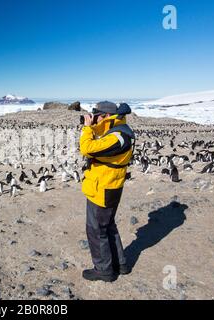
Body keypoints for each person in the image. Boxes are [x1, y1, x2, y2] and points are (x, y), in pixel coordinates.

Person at [79, 101, 135, 282]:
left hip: (102, 188)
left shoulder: (118, 136)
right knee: (108, 226)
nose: (94, 118)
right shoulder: (120, 130)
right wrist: (96, 128)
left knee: (97, 230)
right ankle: (120, 264)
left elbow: (87, 149)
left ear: (105, 116)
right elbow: (103, 145)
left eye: (97, 115)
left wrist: (87, 129)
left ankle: (104, 270)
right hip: (110, 186)